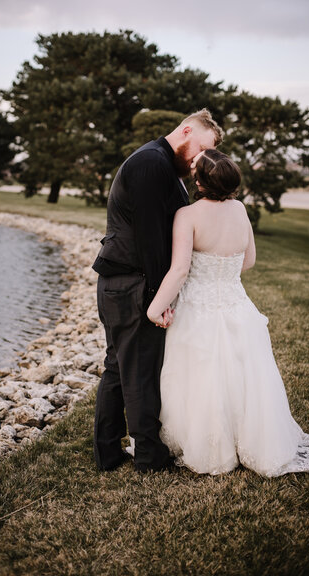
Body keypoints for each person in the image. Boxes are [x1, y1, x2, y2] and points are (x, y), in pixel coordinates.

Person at [146, 149, 309, 477]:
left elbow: (180, 270)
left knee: (202, 377)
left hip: (198, 309)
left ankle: (212, 449)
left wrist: (155, 309)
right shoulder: (240, 210)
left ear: (198, 180)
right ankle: (250, 442)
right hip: (237, 305)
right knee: (244, 378)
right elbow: (249, 261)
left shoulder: (187, 216)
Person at [92, 109, 224, 472]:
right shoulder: (152, 163)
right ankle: (149, 456)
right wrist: (156, 299)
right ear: (185, 132)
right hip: (132, 282)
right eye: (201, 149)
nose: (201, 159)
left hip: (124, 282)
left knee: (120, 368)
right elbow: (152, 238)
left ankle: (107, 452)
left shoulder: (161, 163)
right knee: (139, 372)